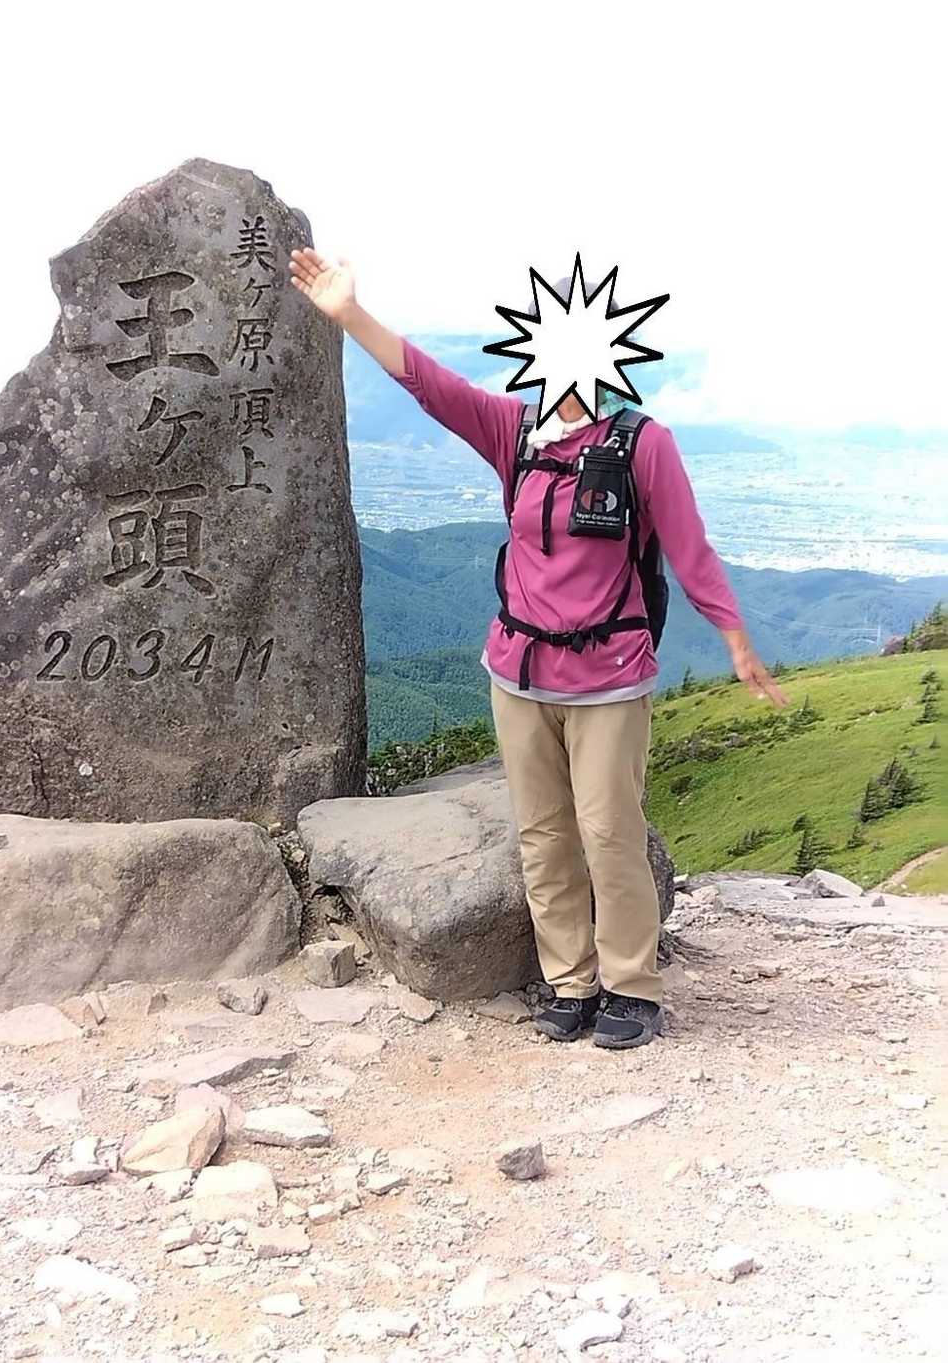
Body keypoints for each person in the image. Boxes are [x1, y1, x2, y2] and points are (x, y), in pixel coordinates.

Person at [289, 247, 789, 1050]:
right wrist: (349, 314)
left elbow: (688, 548)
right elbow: (430, 386)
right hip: (517, 674)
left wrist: (735, 639)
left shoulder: (642, 444)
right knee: (543, 834)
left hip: (608, 680)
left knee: (610, 833)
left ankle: (631, 987)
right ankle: (569, 980)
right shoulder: (515, 432)